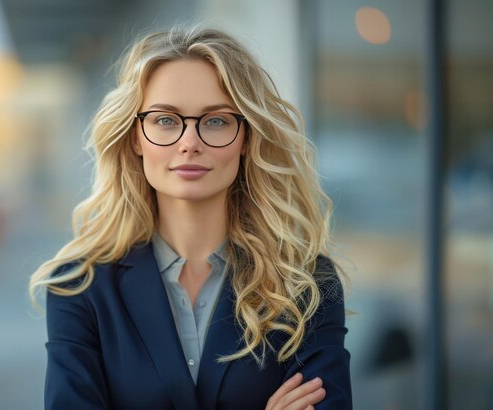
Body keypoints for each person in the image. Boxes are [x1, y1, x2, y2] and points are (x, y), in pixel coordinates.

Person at [29, 24, 352, 410]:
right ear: (136, 136)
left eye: (216, 120)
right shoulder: (78, 288)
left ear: (246, 137)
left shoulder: (307, 282)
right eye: (165, 120)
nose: (189, 143)